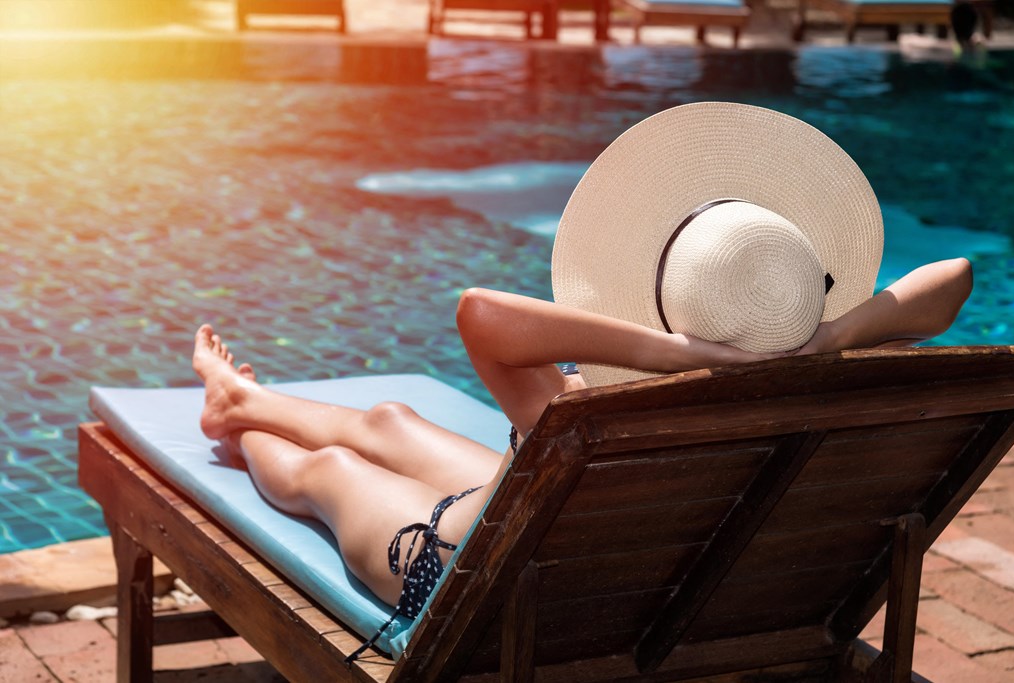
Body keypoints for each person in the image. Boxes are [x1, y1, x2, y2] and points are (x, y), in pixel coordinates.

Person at [191, 102, 973, 656]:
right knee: (391, 419)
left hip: (474, 581)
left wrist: (672, 353)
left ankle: (240, 423)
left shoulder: (599, 407)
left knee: (328, 469)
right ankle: (246, 397)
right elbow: (955, 279)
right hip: (604, 556)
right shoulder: (829, 390)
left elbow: (480, 314)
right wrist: (826, 335)